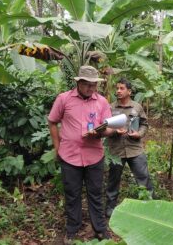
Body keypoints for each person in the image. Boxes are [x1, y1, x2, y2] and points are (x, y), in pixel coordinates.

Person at [47, 66, 114, 243]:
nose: (91, 89)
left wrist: (101, 132)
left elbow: (107, 128)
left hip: (94, 156)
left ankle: (100, 230)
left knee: (95, 193)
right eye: (87, 85)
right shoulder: (64, 99)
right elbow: (52, 122)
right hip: (69, 156)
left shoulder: (102, 102)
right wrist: (57, 147)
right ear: (78, 82)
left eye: (94, 85)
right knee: (72, 194)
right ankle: (72, 228)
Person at [105, 78, 153, 218]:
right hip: (116, 150)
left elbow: (144, 124)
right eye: (117, 88)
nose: (118, 91)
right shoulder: (110, 107)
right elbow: (104, 125)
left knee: (143, 177)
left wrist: (140, 134)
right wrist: (114, 131)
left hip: (135, 149)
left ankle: (148, 205)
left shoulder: (137, 107)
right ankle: (110, 207)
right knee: (113, 180)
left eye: (122, 88)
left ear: (129, 91)